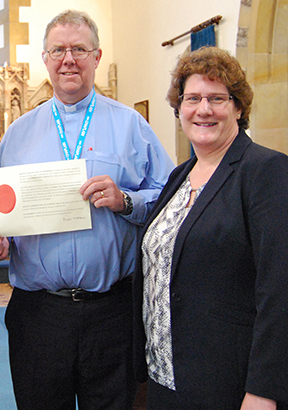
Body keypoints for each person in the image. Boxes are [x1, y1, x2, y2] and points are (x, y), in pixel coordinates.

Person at [0, 9, 174, 410]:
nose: (69, 59)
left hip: (111, 313)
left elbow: (172, 199)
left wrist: (126, 201)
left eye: (79, 49)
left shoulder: (131, 126)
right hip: (39, 314)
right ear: (46, 58)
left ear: (97, 57)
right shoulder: (17, 135)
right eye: (59, 50)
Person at [134, 46, 288, 410]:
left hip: (227, 383)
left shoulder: (265, 171)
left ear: (238, 107)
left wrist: (264, 389)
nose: (203, 109)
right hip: (165, 377)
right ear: (179, 108)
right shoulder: (179, 176)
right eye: (193, 98)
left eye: (217, 98)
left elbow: (279, 286)